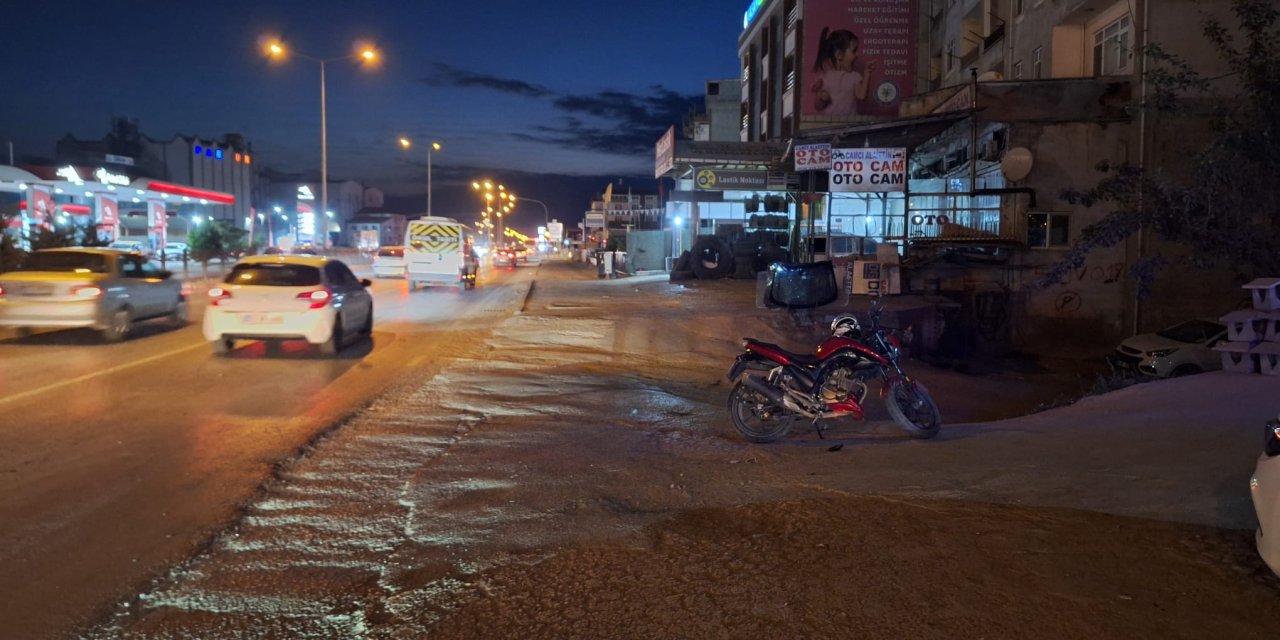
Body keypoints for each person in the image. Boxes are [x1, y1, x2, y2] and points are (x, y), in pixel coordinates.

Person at [810, 27, 877, 116]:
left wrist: (867, 73)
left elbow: (861, 96)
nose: (858, 54)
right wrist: (820, 97)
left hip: (849, 125)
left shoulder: (855, 76)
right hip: (831, 126)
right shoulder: (825, 77)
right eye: (854, 51)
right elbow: (818, 107)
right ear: (839, 55)